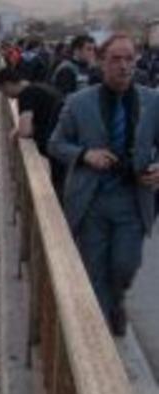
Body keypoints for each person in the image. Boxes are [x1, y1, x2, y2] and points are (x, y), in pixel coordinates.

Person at [48, 33, 159, 336]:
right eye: (116, 59)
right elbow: (55, 144)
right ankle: (100, 338)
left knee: (125, 265)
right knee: (94, 270)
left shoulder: (153, 101)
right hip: (91, 201)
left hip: (133, 201)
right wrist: (85, 155)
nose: (124, 66)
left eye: (129, 59)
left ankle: (116, 302)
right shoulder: (78, 102)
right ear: (100, 60)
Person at [0, 68, 65, 196]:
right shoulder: (39, 87)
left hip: (57, 147)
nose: (6, 96)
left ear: (8, 84)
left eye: (4, 91)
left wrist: (17, 132)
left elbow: (25, 131)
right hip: (64, 143)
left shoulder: (26, 95)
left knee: (59, 189)